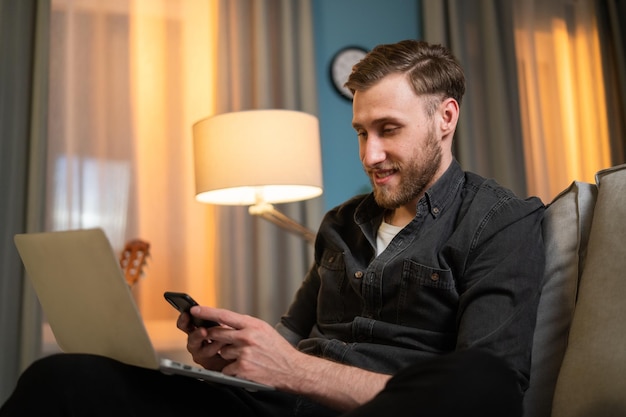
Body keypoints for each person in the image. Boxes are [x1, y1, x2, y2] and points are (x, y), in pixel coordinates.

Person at [0, 40, 544, 417]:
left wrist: (294, 371)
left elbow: (494, 396)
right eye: (360, 132)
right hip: (271, 408)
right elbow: (289, 342)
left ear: (445, 117)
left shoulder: (500, 220)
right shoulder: (341, 224)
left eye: (388, 130)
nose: (369, 154)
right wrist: (234, 353)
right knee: (64, 379)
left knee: (482, 383)